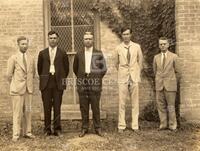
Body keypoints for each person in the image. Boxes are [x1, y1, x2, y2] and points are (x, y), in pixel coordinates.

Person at [73, 32, 107, 137]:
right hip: (82, 83)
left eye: (90, 39)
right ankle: (84, 128)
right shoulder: (79, 54)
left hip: (95, 83)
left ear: (93, 40)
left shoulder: (98, 53)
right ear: (83, 41)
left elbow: (103, 69)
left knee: (95, 106)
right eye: (86, 39)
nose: (88, 41)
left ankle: (98, 128)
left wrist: (95, 78)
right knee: (84, 106)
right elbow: (75, 68)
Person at [37, 31, 69, 136]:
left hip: (57, 83)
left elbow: (66, 69)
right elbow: (39, 69)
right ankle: (47, 129)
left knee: (57, 106)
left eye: (55, 38)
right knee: (46, 107)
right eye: (51, 38)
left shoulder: (62, 53)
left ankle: (57, 129)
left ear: (58, 39)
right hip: (46, 83)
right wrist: (45, 78)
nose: (53, 40)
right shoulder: (42, 53)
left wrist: (60, 78)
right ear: (48, 39)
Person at [7, 36, 35, 142]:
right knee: (17, 112)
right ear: (18, 45)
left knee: (28, 111)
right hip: (17, 90)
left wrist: (28, 85)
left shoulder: (31, 58)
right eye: (22, 44)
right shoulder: (13, 58)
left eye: (26, 44)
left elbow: (33, 73)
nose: (24, 46)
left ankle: (27, 132)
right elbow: (9, 75)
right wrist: (15, 85)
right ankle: (16, 134)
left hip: (28, 89)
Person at [115, 27, 143, 133]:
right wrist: (123, 72)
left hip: (134, 77)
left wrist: (136, 72)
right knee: (122, 102)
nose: (126, 36)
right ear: (121, 35)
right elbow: (116, 63)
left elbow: (140, 61)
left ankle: (135, 125)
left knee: (135, 102)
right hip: (123, 77)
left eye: (127, 34)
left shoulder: (136, 47)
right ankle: (121, 125)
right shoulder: (118, 48)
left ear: (131, 35)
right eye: (124, 34)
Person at [153, 37, 180, 131]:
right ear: (159, 45)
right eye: (161, 44)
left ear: (168, 45)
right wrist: (158, 81)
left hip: (170, 85)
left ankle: (172, 126)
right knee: (161, 106)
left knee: (171, 106)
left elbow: (178, 72)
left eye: (164, 44)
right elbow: (155, 71)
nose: (162, 46)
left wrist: (172, 82)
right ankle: (163, 124)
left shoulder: (174, 57)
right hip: (159, 85)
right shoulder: (156, 57)